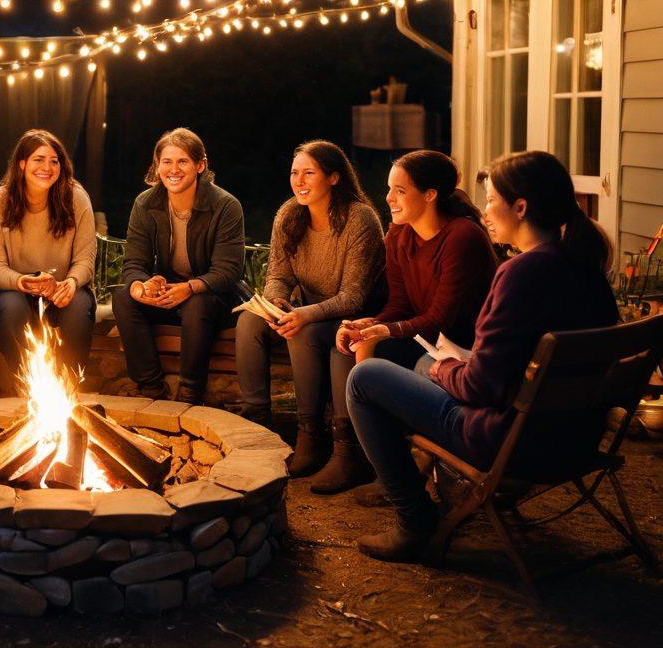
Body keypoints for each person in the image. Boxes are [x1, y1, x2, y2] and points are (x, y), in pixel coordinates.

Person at [348, 150, 619, 562]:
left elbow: (479, 386)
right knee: (410, 359)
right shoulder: (585, 264)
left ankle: (415, 520)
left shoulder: (520, 272)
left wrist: (443, 368)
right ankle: (428, 483)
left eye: (492, 200)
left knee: (365, 379)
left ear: (521, 207)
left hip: (513, 441)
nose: (485, 211)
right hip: (578, 437)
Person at [235, 140, 384, 493]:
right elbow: (279, 274)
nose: (299, 181)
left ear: (333, 177)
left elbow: (354, 296)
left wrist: (304, 314)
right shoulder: (290, 214)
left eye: (309, 173)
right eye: (294, 173)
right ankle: (259, 424)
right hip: (309, 309)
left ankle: (332, 445)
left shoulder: (359, 218)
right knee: (249, 322)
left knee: (301, 332)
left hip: (354, 314)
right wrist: (277, 302)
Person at [113, 127, 246, 403]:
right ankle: (150, 386)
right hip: (170, 293)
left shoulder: (225, 206)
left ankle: (189, 390)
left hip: (215, 298)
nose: (174, 169)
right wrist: (141, 284)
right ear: (157, 166)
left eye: (183, 161)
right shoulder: (146, 203)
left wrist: (191, 287)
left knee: (198, 303)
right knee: (124, 298)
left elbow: (229, 270)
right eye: (167, 162)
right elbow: (134, 262)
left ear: (200, 165)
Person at [335, 151, 497, 371]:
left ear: (429, 195)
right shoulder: (398, 234)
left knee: (368, 349)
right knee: (349, 346)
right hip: (424, 338)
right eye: (390, 188)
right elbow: (400, 304)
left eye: (400, 191)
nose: (389, 198)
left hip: (459, 348)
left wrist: (384, 330)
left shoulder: (463, 237)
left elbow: (441, 320)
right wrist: (371, 324)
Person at [0, 129, 97, 379]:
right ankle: (29, 389)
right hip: (10, 289)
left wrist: (71, 283)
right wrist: (22, 282)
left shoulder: (76, 198)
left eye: (54, 161)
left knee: (79, 307)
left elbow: (85, 259)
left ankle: (69, 388)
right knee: (12, 307)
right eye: (38, 159)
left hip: (61, 289)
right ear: (21, 164)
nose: (47, 167)